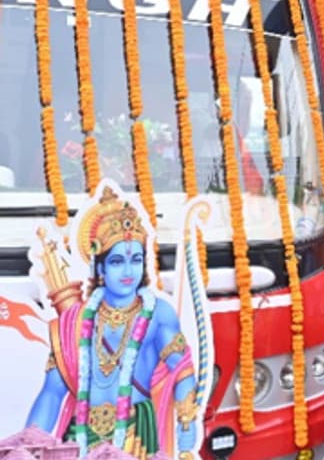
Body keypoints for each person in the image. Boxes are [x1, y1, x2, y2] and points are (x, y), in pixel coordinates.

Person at [25, 187, 199, 459]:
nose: (129, 271)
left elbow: (182, 369)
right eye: (117, 262)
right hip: (80, 435)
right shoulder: (75, 321)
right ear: (101, 269)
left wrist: (187, 421)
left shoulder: (157, 313)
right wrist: (28, 444)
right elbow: (52, 392)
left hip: (135, 437)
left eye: (136, 260)